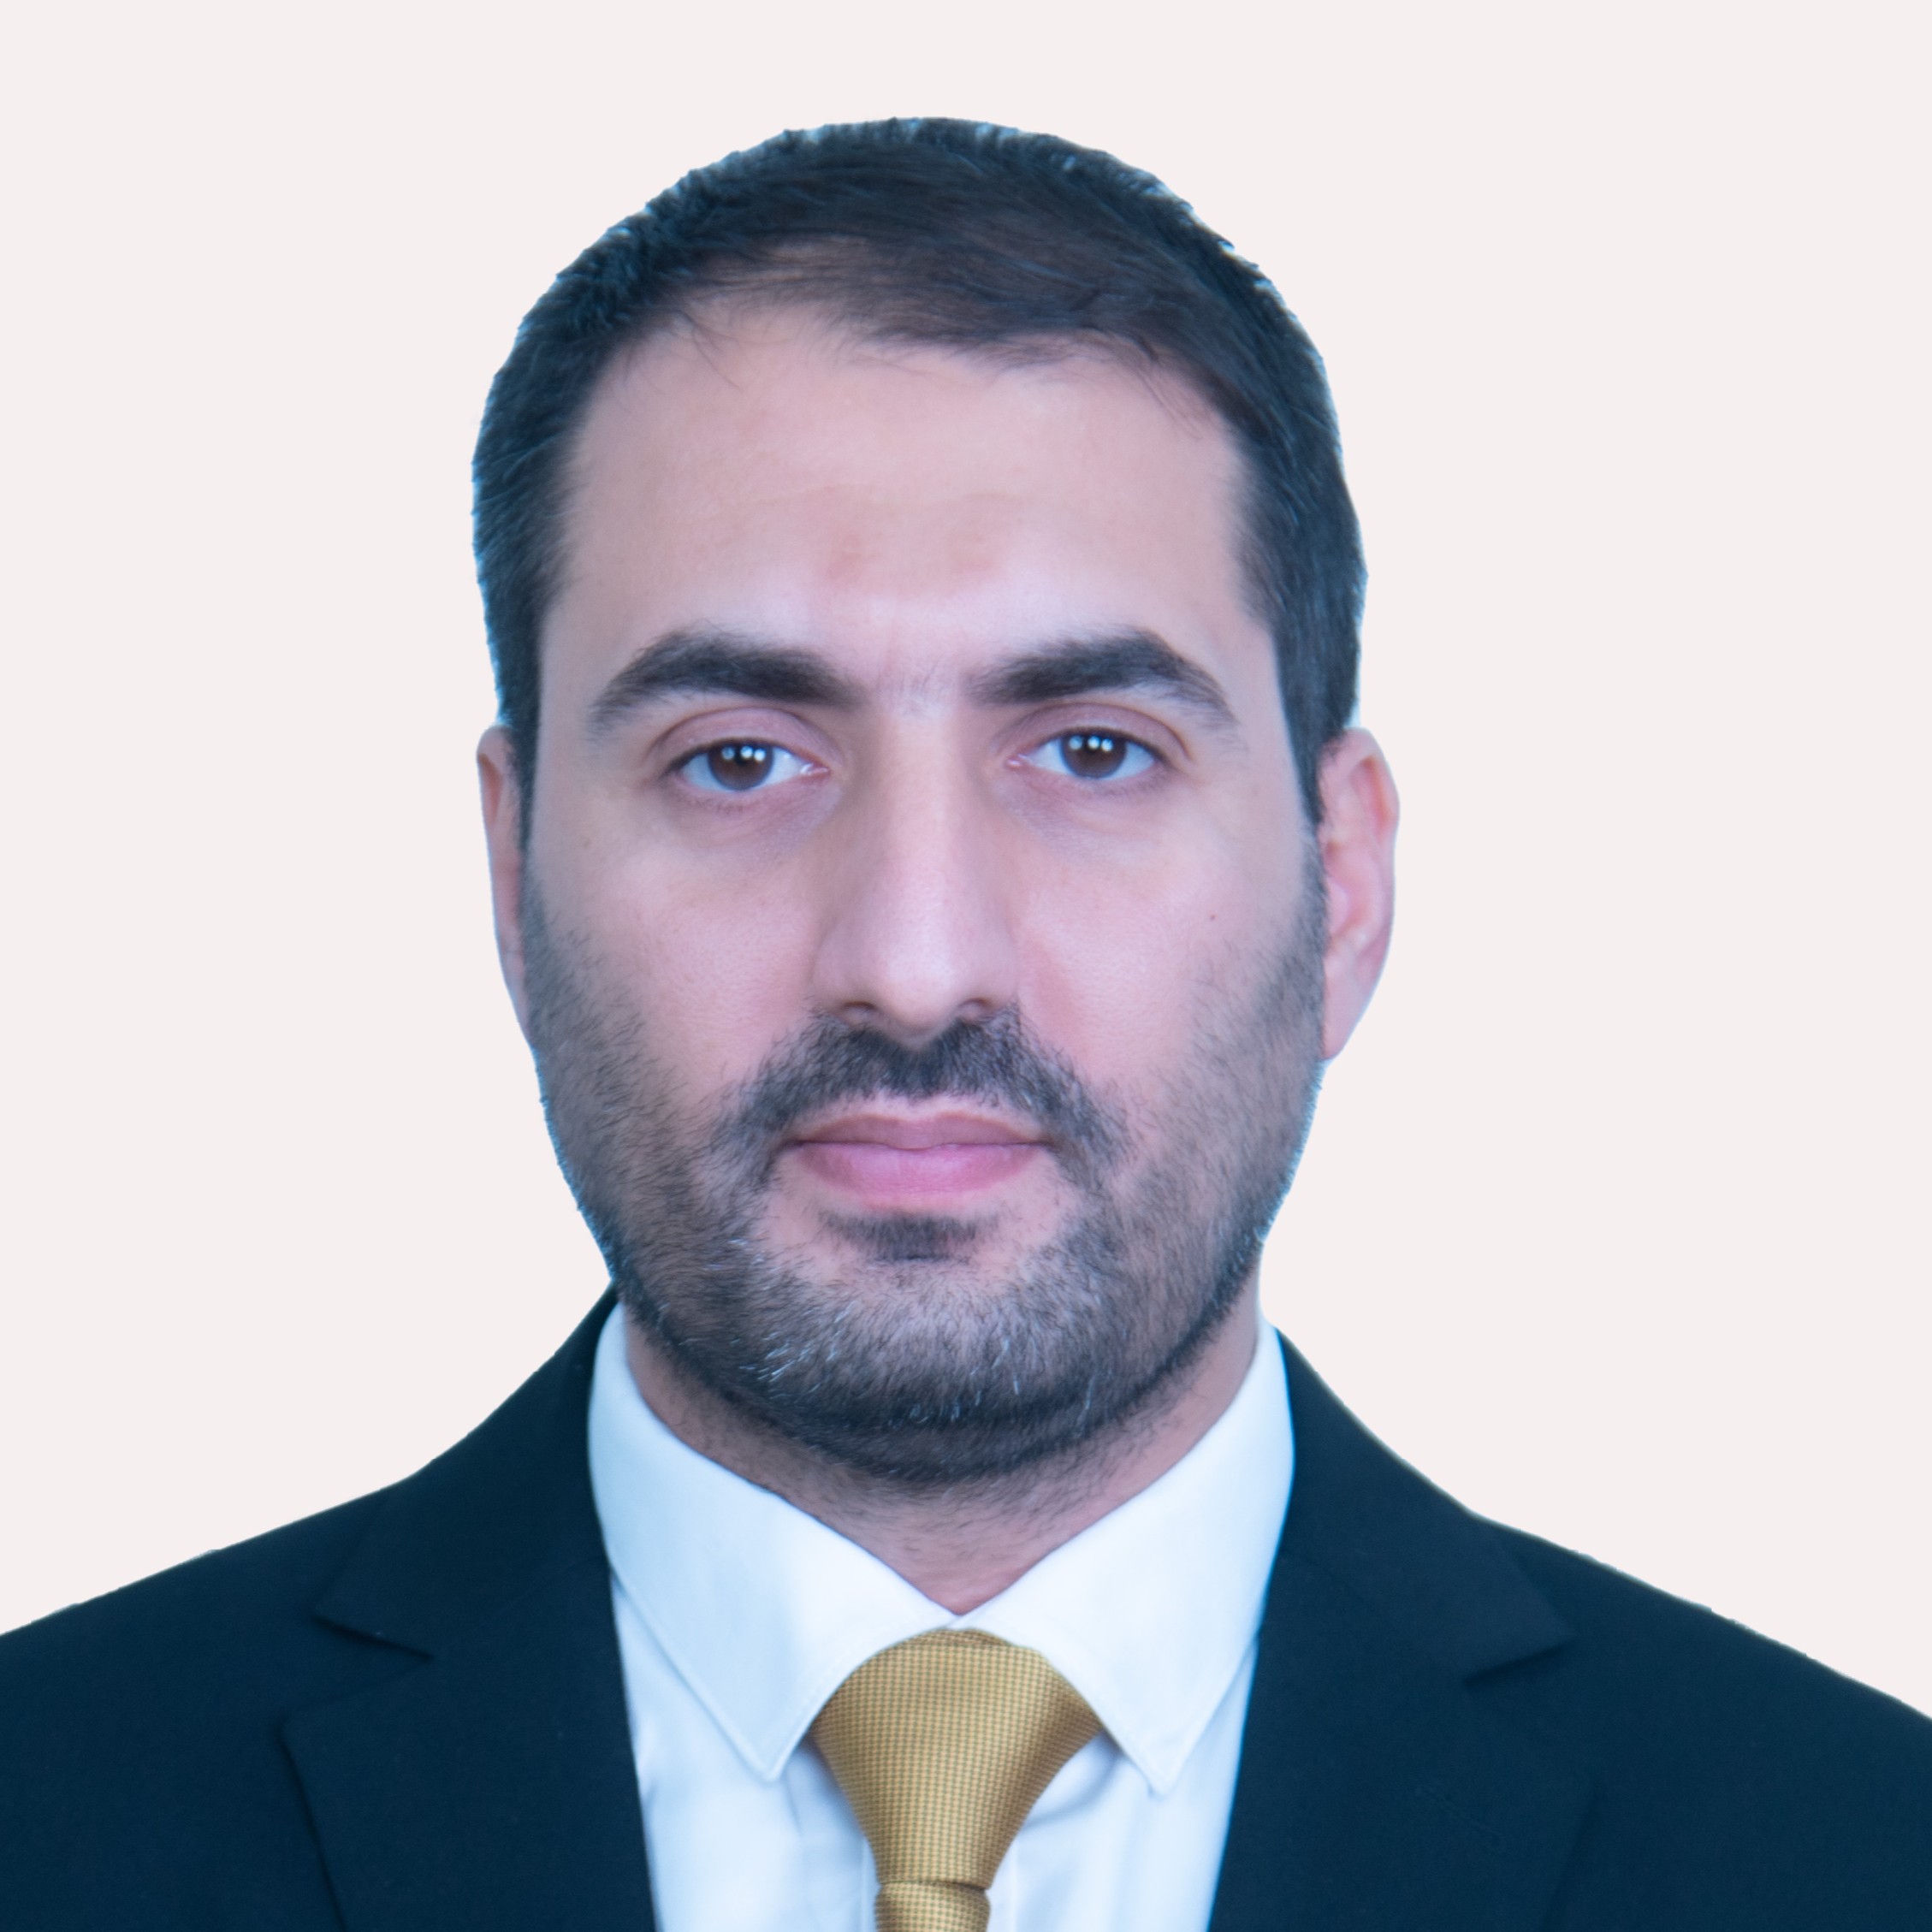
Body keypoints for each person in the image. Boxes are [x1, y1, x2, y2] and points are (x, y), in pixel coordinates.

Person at [1, 118, 1926, 1931]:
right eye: (738, 757)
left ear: (1339, 879)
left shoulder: (1857, 1855)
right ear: (514, 873)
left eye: (1092, 751)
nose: (916, 966)